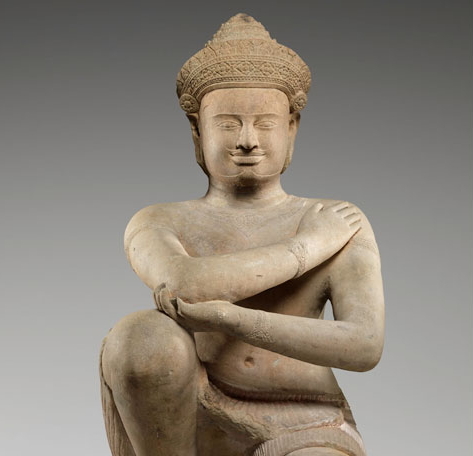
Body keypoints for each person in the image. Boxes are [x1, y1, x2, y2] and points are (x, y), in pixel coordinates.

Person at [100, 14, 384, 456]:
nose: (248, 140)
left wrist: (232, 320)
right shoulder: (160, 221)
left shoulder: (338, 220)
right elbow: (184, 286)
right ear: (198, 132)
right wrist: (305, 248)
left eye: (265, 123)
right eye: (229, 124)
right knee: (141, 336)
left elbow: (364, 345)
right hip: (191, 415)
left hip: (303, 419)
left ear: (292, 129)